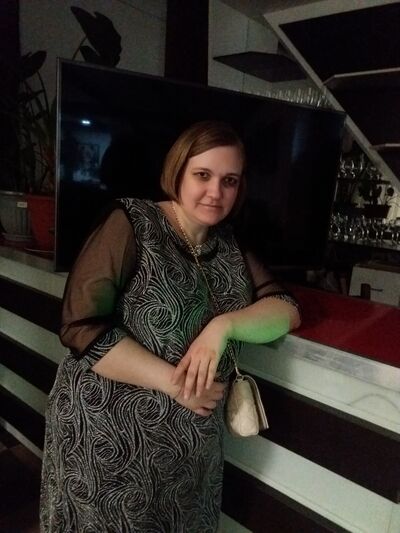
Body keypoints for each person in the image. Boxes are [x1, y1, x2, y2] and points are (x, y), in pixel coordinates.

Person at [40, 120, 301, 532]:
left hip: (190, 449)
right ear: (177, 171)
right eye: (203, 175)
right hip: (110, 437)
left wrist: (223, 327)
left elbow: (285, 309)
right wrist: (177, 385)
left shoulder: (229, 244)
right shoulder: (132, 221)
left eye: (229, 180)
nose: (216, 192)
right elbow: (81, 327)